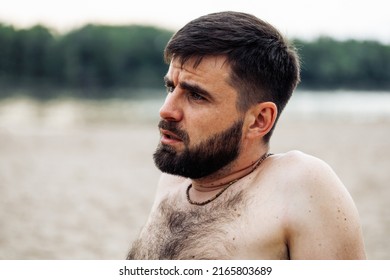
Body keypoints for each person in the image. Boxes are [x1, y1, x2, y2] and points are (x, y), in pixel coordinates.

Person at [127, 11, 366, 260]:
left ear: (259, 121)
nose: (166, 110)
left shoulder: (301, 186)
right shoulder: (172, 182)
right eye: (171, 87)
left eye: (196, 95)